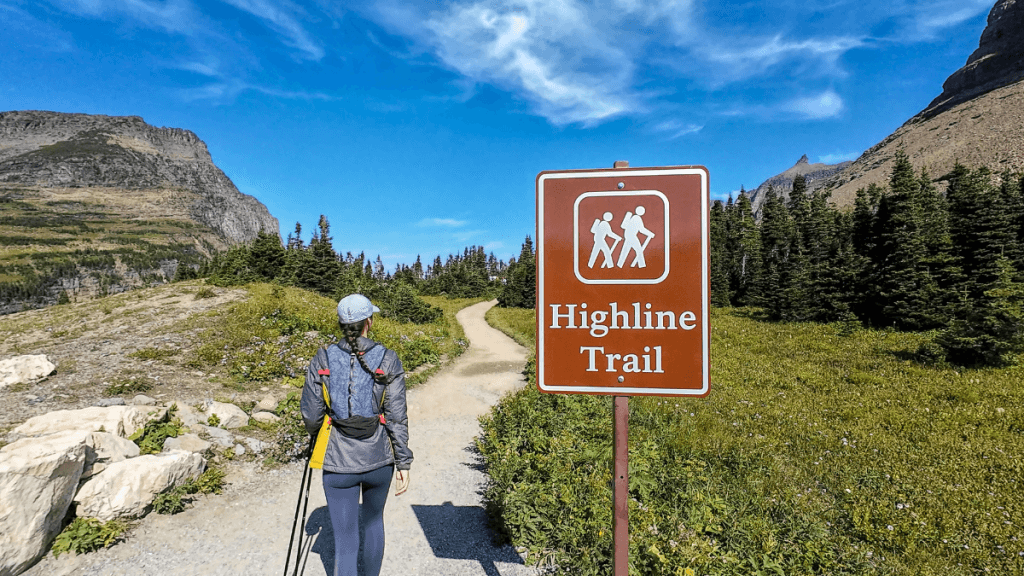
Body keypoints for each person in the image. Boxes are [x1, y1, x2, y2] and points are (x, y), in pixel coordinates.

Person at [301, 293, 412, 576]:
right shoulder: (388, 358)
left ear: (341, 324)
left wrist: (316, 436)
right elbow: (397, 416)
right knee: (374, 523)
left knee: (345, 540)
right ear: (369, 323)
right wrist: (403, 462)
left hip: (339, 462)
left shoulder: (322, 358)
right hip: (379, 460)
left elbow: (312, 415)